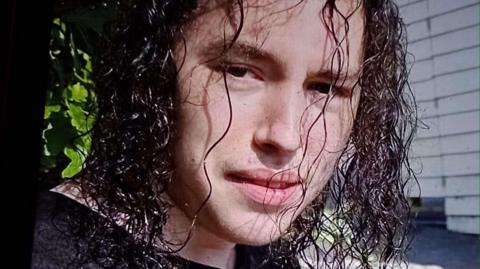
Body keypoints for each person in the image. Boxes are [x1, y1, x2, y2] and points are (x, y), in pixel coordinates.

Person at [31, 0, 417, 268]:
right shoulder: (43, 251)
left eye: (325, 88)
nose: (286, 138)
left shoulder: (270, 258)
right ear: (153, 70)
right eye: (239, 71)